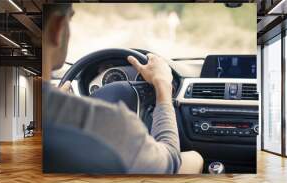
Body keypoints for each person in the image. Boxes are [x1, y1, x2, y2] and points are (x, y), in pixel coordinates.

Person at [42, 4, 203, 174]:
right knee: (195, 158)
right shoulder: (115, 124)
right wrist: (162, 86)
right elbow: (170, 161)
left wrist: (65, 102)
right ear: (57, 28)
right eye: (70, 19)